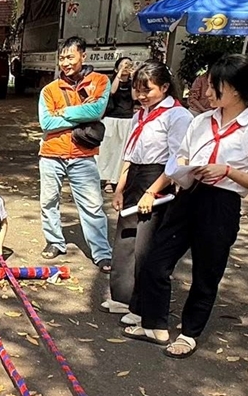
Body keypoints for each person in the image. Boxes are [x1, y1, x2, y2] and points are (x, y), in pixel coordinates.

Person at [126, 55, 248, 358]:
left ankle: (189, 333)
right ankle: (154, 323)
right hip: (188, 194)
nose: (206, 93)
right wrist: (181, 171)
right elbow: (179, 158)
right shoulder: (200, 122)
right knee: (157, 259)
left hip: (222, 202)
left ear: (234, 90)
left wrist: (228, 171)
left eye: (213, 87)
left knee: (207, 271)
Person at [106, 62, 190, 315]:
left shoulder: (177, 116)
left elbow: (177, 160)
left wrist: (152, 191)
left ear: (165, 87)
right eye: (137, 90)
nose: (141, 96)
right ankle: (122, 297)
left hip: (158, 177)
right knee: (125, 239)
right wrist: (120, 188)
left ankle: (141, 306)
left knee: (146, 246)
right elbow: (129, 154)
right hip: (135, 176)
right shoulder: (139, 115)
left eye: (148, 90)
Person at [38, 37, 113, 269]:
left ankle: (101, 252)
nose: (66, 62)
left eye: (70, 57)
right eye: (62, 58)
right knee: (49, 202)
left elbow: (97, 110)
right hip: (52, 153)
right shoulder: (49, 90)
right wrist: (81, 115)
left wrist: (64, 113)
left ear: (83, 56)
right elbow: (46, 124)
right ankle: (54, 242)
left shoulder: (100, 81)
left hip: (83, 154)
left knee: (92, 204)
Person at [98, 56, 138, 189]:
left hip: (127, 120)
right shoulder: (111, 81)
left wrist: (133, 78)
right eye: (123, 65)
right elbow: (112, 91)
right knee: (108, 149)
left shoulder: (133, 83)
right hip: (111, 119)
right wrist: (119, 74)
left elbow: (134, 96)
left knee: (122, 151)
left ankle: (116, 180)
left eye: (128, 65)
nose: (126, 67)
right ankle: (105, 178)